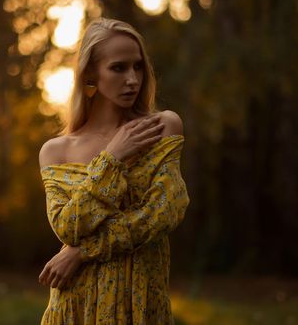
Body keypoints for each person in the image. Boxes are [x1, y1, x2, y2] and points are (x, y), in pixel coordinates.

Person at [37, 17, 190, 324]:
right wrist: (112, 159)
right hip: (75, 307)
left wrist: (80, 253)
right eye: (118, 68)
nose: (132, 79)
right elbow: (68, 228)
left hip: (142, 301)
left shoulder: (161, 127)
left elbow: (164, 212)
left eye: (138, 66)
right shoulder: (57, 151)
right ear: (91, 72)